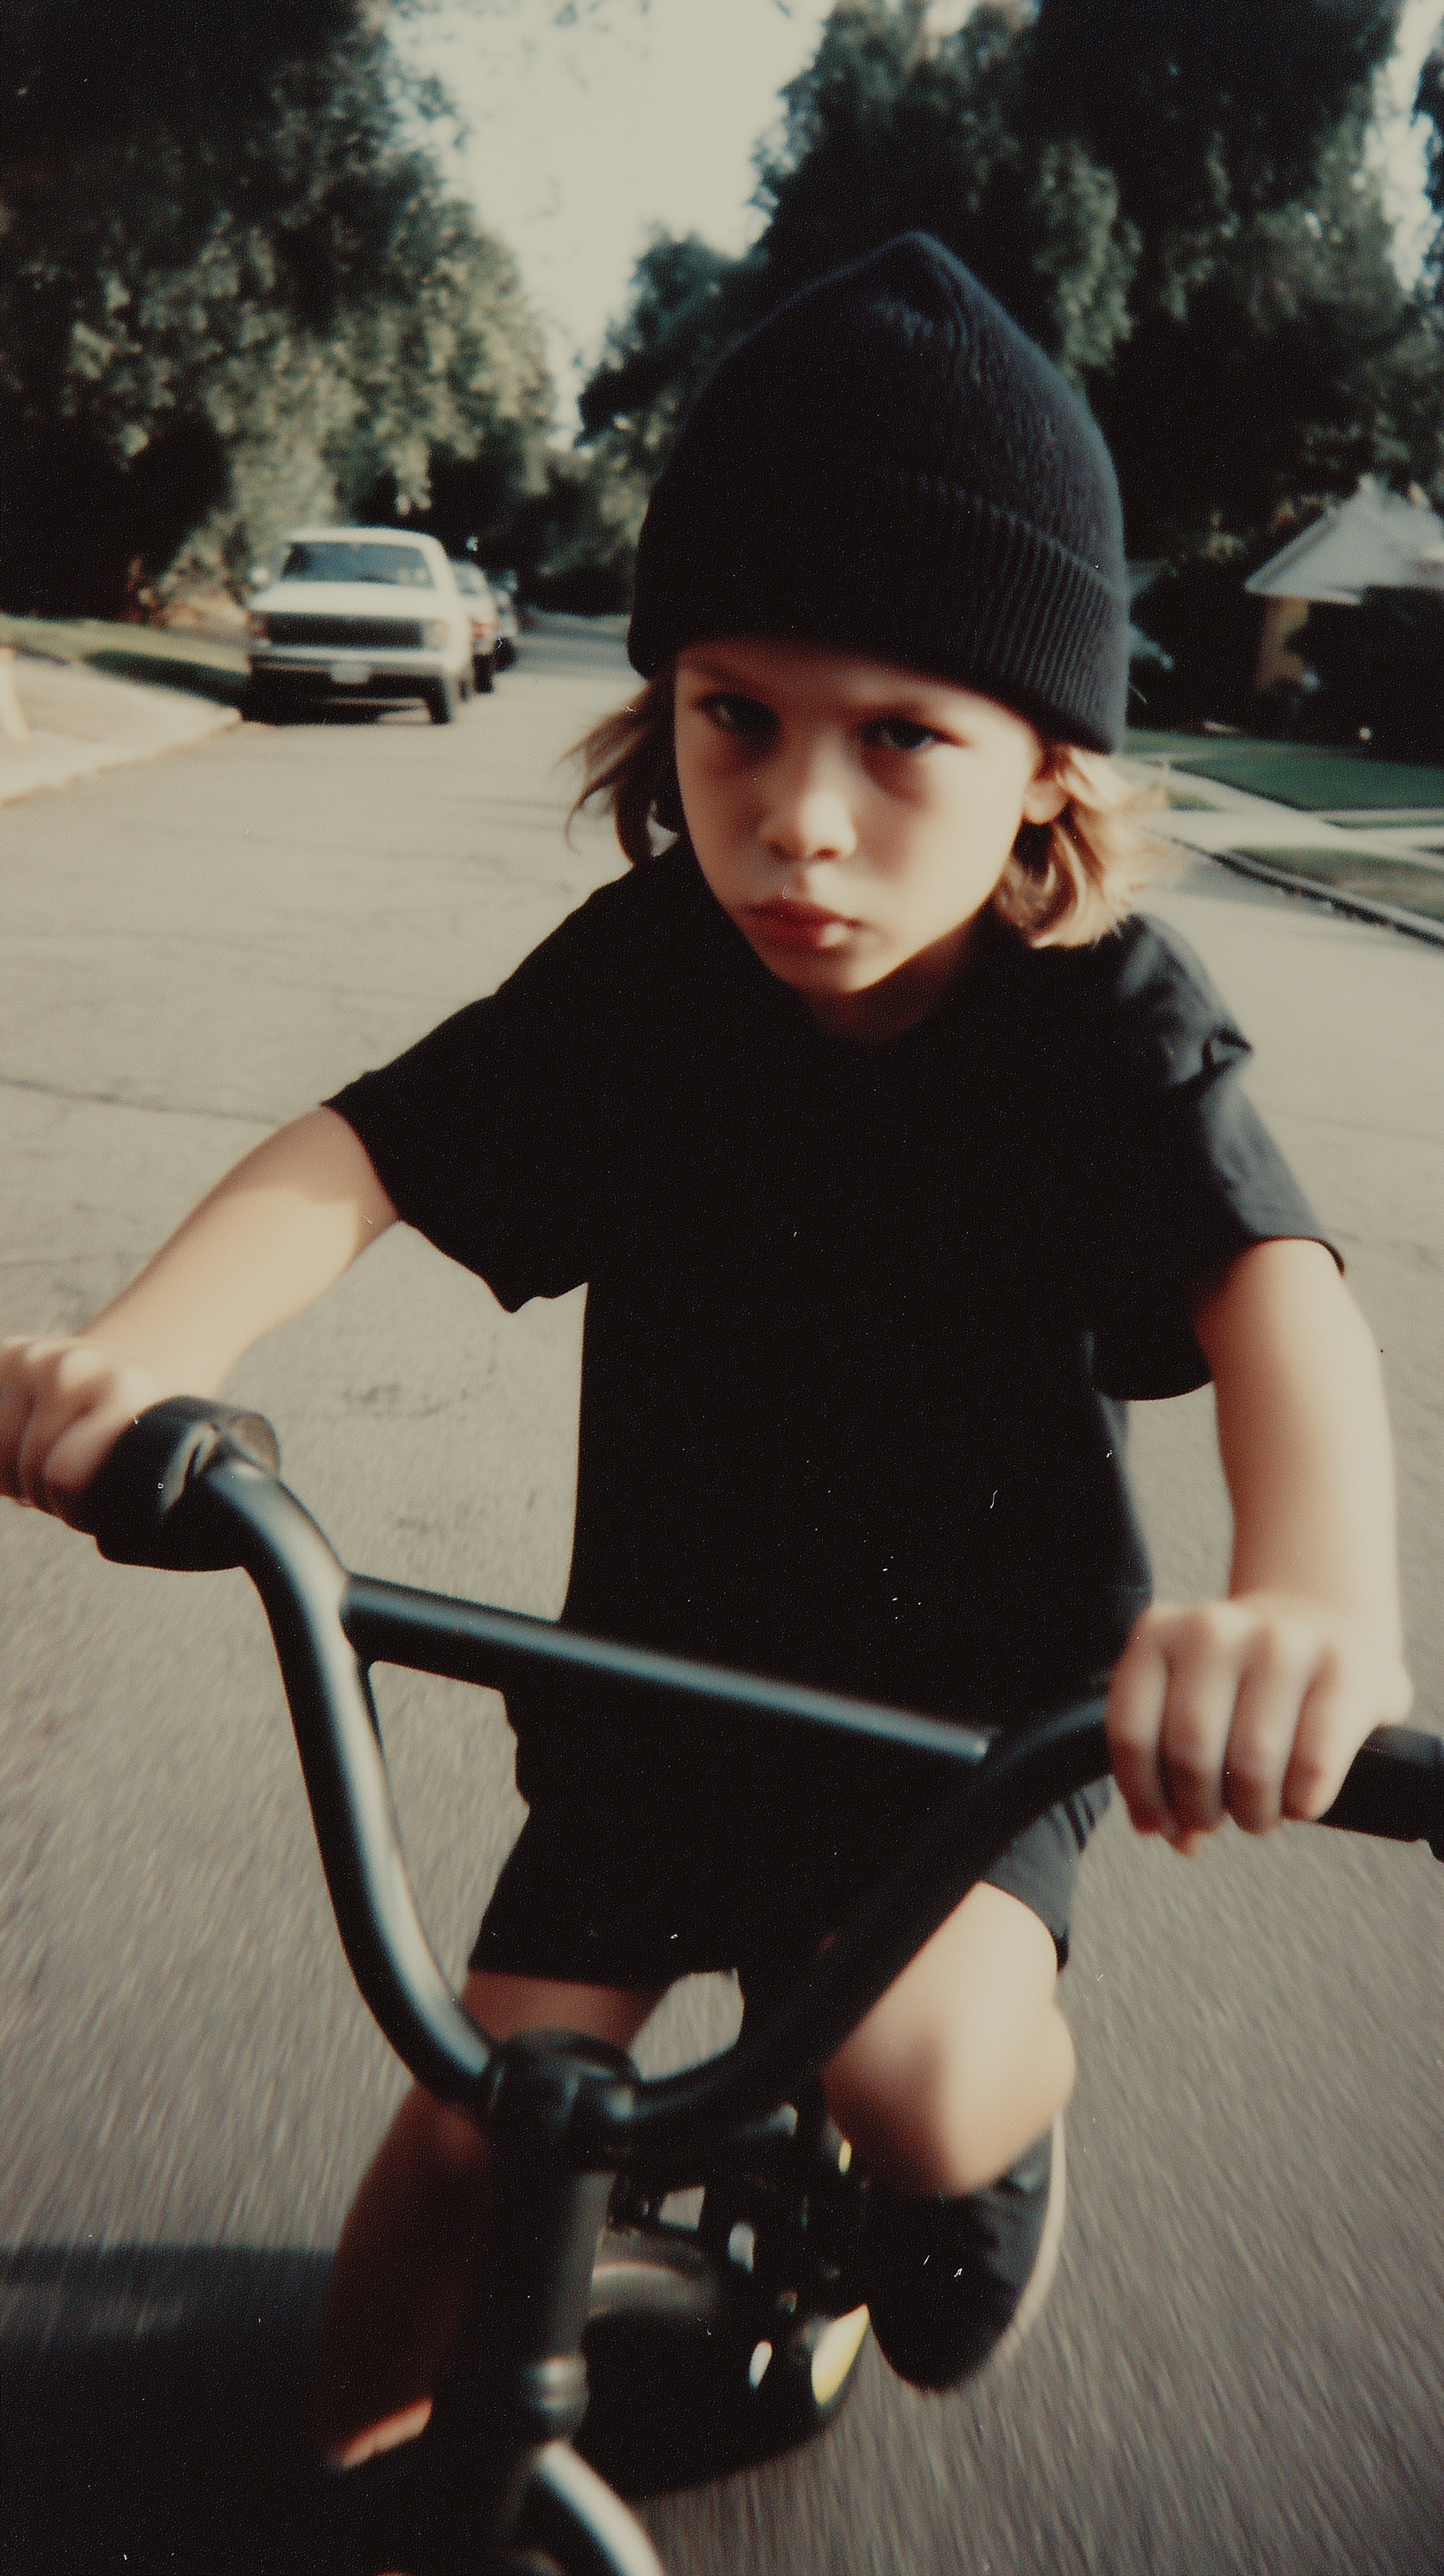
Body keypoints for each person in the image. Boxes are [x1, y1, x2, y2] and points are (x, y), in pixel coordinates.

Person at [0, 238, 1412, 2439]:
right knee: (477, 2120)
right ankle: (366, 2489)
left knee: (920, 2074)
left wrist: (1317, 1600)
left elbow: (1276, 1291)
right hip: (656, 1681)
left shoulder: (1107, 1019)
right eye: (734, 711)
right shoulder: (653, 972)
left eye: (904, 738)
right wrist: (139, 1347)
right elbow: (362, 1150)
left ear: (1047, 760)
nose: (800, 817)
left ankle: (1001, 2136)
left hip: (968, 1721)